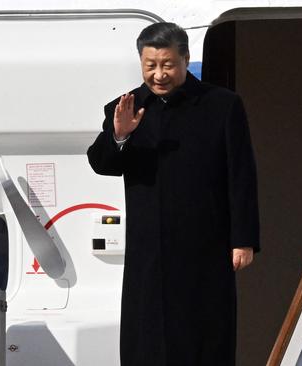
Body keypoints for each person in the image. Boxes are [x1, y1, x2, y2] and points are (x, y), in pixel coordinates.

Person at [87, 22, 260, 366]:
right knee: (149, 333)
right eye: (150, 65)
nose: (159, 74)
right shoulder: (126, 107)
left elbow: (241, 174)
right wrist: (119, 135)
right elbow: (102, 163)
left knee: (206, 330)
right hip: (149, 247)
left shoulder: (222, 106)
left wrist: (244, 239)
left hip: (207, 243)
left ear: (185, 59)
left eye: (167, 64)